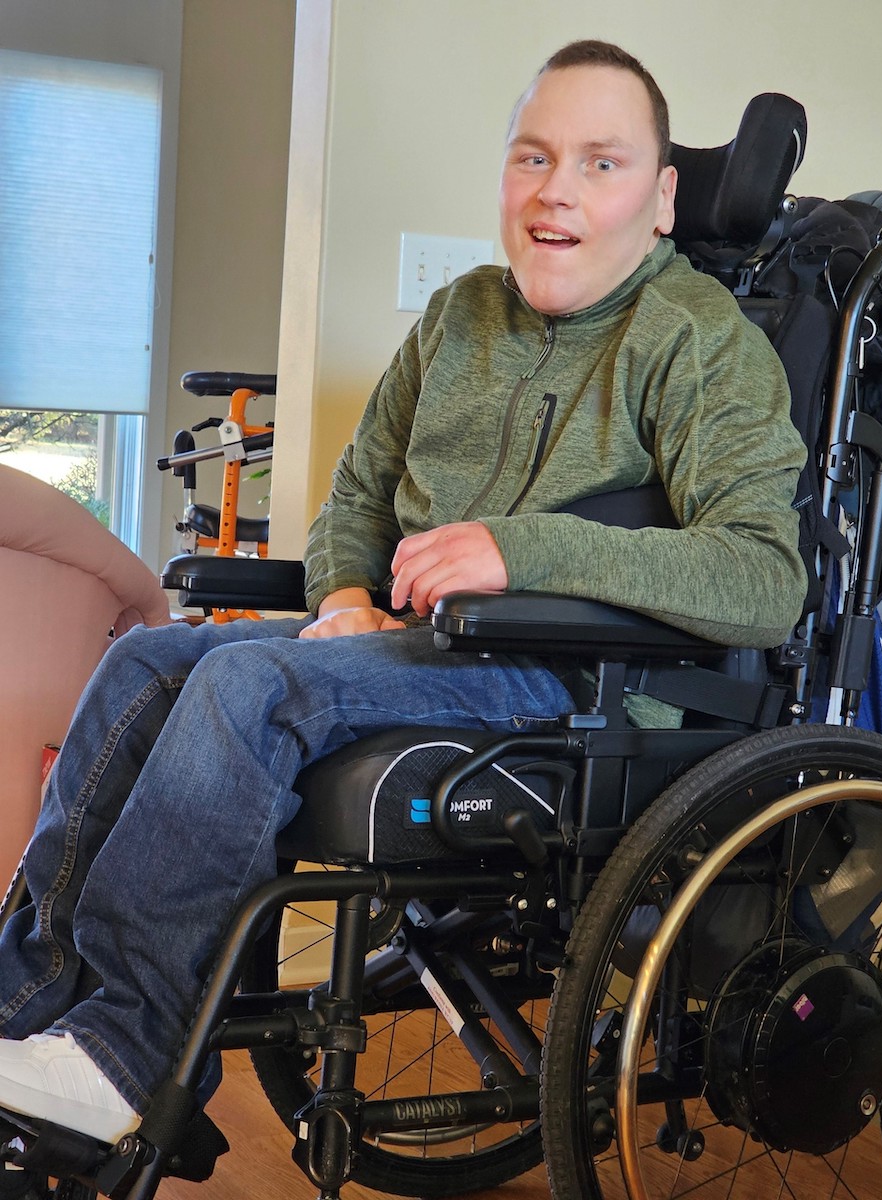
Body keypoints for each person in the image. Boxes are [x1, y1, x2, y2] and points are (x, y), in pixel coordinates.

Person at [0, 39, 806, 1145]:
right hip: (423, 653)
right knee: (145, 658)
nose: (555, 190)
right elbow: (359, 493)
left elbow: (763, 579)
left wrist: (523, 551)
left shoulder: (700, 342)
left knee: (250, 686)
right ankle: (26, 995)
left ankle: (124, 1052)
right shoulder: (461, 314)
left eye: (601, 164)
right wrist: (339, 596)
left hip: (582, 686)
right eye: (532, 157)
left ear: (663, 200)